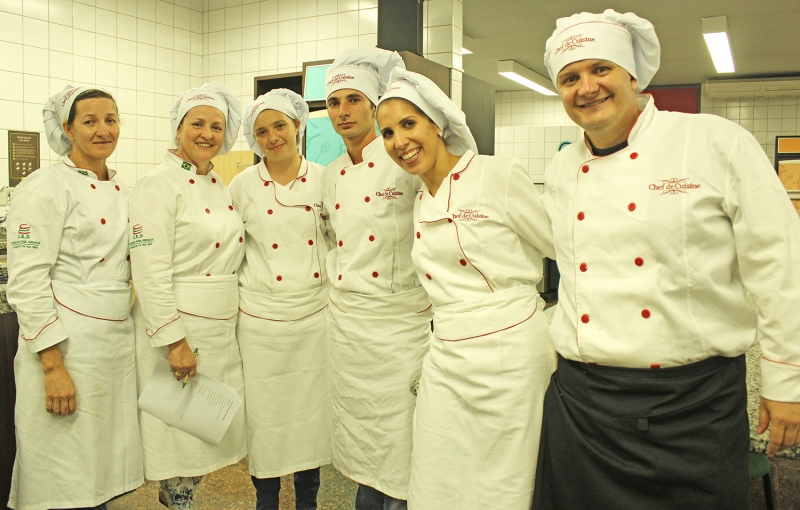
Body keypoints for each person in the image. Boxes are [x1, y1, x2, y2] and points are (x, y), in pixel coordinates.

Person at [533, 9, 800, 509]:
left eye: (601, 69)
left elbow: (781, 264)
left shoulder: (713, 141)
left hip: (691, 403)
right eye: (570, 78)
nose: (586, 87)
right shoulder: (564, 166)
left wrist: (787, 380)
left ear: (633, 76)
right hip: (584, 402)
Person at [376, 70, 557, 509]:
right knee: (435, 475)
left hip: (510, 356)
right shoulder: (420, 197)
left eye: (408, 124)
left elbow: (564, 248)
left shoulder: (497, 174)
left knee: (501, 484)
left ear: (437, 123)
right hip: (447, 355)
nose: (399, 141)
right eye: (387, 132)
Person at [6, 85, 143, 509]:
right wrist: (53, 367)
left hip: (112, 349)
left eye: (110, 120)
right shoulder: (43, 187)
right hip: (65, 349)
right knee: (62, 475)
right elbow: (27, 282)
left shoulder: (122, 188)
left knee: (98, 472)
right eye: (90, 121)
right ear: (67, 129)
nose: (103, 130)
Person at [322, 48, 432, 510]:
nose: (343, 111)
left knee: (402, 442)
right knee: (362, 442)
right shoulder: (330, 175)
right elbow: (331, 239)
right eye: (334, 102)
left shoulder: (404, 161)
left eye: (354, 100)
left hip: (400, 327)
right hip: (349, 329)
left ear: (373, 106)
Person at [128, 83, 246, 510]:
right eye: (197, 123)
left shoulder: (218, 183)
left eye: (216, 126)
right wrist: (173, 340)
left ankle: (183, 490)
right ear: (178, 129)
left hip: (220, 326)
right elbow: (149, 271)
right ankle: (177, 496)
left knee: (208, 425)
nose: (207, 134)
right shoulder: (156, 185)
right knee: (179, 431)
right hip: (180, 326)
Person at [229, 89, 331, 510]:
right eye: (262, 132)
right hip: (260, 322)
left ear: (298, 125)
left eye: (279, 126)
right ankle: (265, 501)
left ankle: (308, 502)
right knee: (265, 423)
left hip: (315, 317)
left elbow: (337, 241)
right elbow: (231, 250)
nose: (272, 138)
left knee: (312, 421)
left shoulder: (326, 179)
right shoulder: (241, 186)